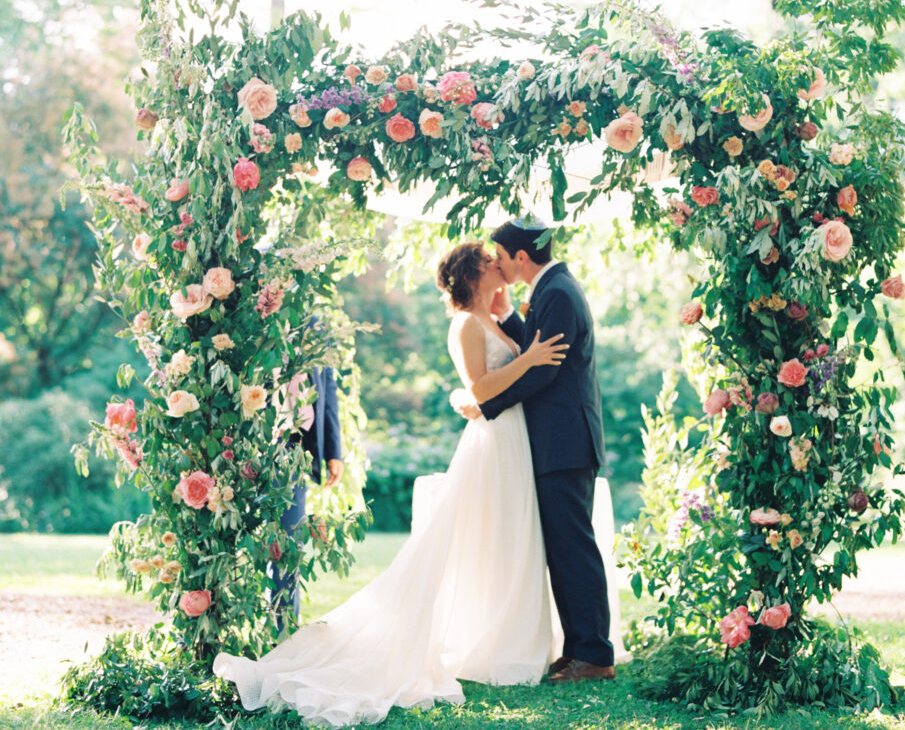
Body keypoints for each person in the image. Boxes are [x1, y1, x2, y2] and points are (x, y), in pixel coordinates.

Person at [214, 242, 569, 726]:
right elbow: (481, 389)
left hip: (511, 439)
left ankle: (503, 640)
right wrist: (529, 359)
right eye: (488, 261)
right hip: (492, 441)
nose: (498, 264)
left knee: (508, 540)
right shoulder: (465, 324)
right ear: (470, 275)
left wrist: (515, 332)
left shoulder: (491, 318)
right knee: (489, 537)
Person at [452, 215, 614, 683]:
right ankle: (579, 647)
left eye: (501, 257)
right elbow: (533, 353)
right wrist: (507, 317)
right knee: (562, 550)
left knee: (574, 549)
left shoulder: (558, 293)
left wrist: (487, 404)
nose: (499, 266)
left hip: (565, 441)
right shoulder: (552, 289)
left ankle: (595, 655)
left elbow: (544, 370)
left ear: (521, 256)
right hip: (556, 441)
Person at [271, 363, 344, 632]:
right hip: (248, 442)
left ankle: (283, 634)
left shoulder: (314, 323)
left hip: (295, 445)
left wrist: (333, 450)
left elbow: (327, 388)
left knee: (287, 547)